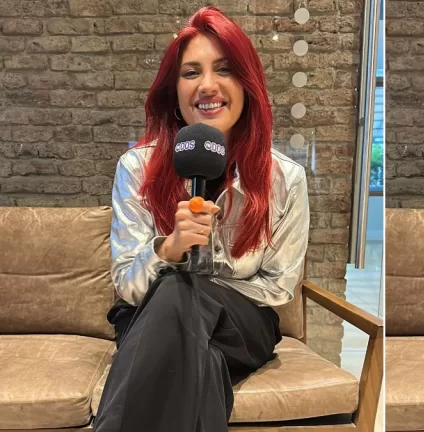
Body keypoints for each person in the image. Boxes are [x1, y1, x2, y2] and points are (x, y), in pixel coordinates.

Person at [93, 6, 310, 432]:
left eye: (224, 69)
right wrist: (169, 249)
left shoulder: (285, 179)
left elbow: (279, 286)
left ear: (247, 83)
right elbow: (127, 286)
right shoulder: (136, 168)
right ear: (174, 91)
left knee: (177, 291)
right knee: (200, 359)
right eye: (191, 73)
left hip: (243, 324)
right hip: (148, 316)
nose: (207, 85)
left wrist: (198, 290)